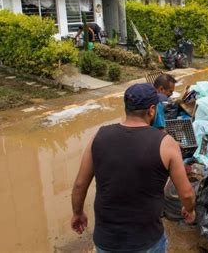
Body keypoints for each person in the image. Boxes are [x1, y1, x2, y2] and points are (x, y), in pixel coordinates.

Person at [71, 83, 196, 252]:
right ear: (152, 110)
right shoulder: (166, 144)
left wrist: (77, 213)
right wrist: (189, 210)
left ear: (126, 108)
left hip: (106, 240)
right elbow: (187, 193)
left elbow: (80, 184)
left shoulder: (99, 137)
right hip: (147, 241)